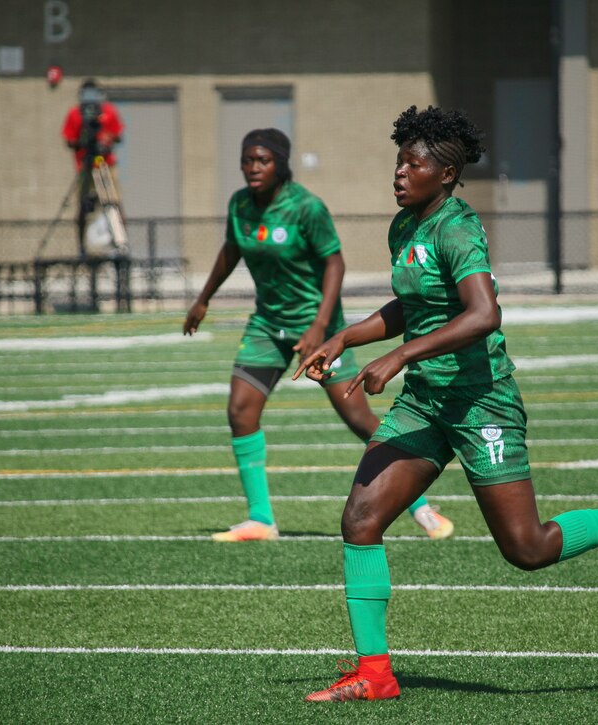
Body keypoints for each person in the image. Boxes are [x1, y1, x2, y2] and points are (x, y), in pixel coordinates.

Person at [294, 105, 598, 702]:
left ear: (446, 174)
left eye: (415, 164)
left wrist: (402, 356)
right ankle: (376, 674)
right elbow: (412, 307)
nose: (400, 173)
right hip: (427, 405)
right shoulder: (405, 225)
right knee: (360, 520)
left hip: (482, 403)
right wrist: (344, 337)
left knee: (527, 549)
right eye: (399, 161)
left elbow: (483, 314)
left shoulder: (457, 227)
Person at [182, 128, 454, 543]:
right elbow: (231, 250)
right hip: (267, 324)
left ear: (281, 163)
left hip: (319, 324)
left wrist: (318, 327)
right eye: (247, 160)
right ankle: (260, 519)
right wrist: (203, 299)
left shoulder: (306, 207)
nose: (253, 168)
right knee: (240, 410)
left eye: (263, 160)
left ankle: (418, 505)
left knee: (359, 418)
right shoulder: (240, 204)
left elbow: (334, 265)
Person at [61, 78, 125, 255]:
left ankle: (120, 243)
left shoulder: (109, 112)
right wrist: (82, 141)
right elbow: (69, 140)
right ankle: (82, 247)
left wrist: (106, 139)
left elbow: (118, 135)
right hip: (85, 166)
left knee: (114, 202)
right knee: (83, 205)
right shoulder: (75, 114)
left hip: (105, 164)